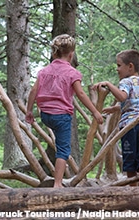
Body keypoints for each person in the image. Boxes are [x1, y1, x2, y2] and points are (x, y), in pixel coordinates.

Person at [26, 34, 103, 188]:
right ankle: (58, 183)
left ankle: (57, 179)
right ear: (71, 54)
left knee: (59, 143)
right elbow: (80, 94)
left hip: (46, 115)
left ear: (54, 53)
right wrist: (95, 112)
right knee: (63, 150)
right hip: (61, 116)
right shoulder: (72, 73)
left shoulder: (44, 71)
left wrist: (29, 111)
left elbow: (34, 91)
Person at [92, 49, 139, 187]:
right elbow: (135, 103)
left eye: (119, 65)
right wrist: (115, 109)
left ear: (130, 66)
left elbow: (122, 97)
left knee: (130, 158)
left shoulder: (125, 81)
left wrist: (108, 84)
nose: (117, 69)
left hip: (130, 126)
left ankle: (133, 189)